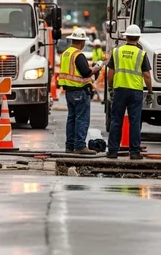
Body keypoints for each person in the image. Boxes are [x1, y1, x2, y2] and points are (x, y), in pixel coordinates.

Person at [106, 24, 153, 160]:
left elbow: (110, 73)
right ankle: (134, 152)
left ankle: (113, 152)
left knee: (116, 120)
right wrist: (150, 91)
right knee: (135, 121)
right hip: (135, 91)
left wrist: (110, 87)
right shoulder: (141, 53)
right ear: (138, 38)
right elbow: (147, 75)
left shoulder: (116, 52)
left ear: (126, 37)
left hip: (120, 89)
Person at [59, 28, 101, 154]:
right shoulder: (78, 54)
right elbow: (86, 72)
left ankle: (70, 146)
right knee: (82, 119)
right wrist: (96, 68)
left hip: (69, 92)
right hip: (79, 92)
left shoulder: (66, 53)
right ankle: (80, 146)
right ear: (82, 42)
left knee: (71, 119)